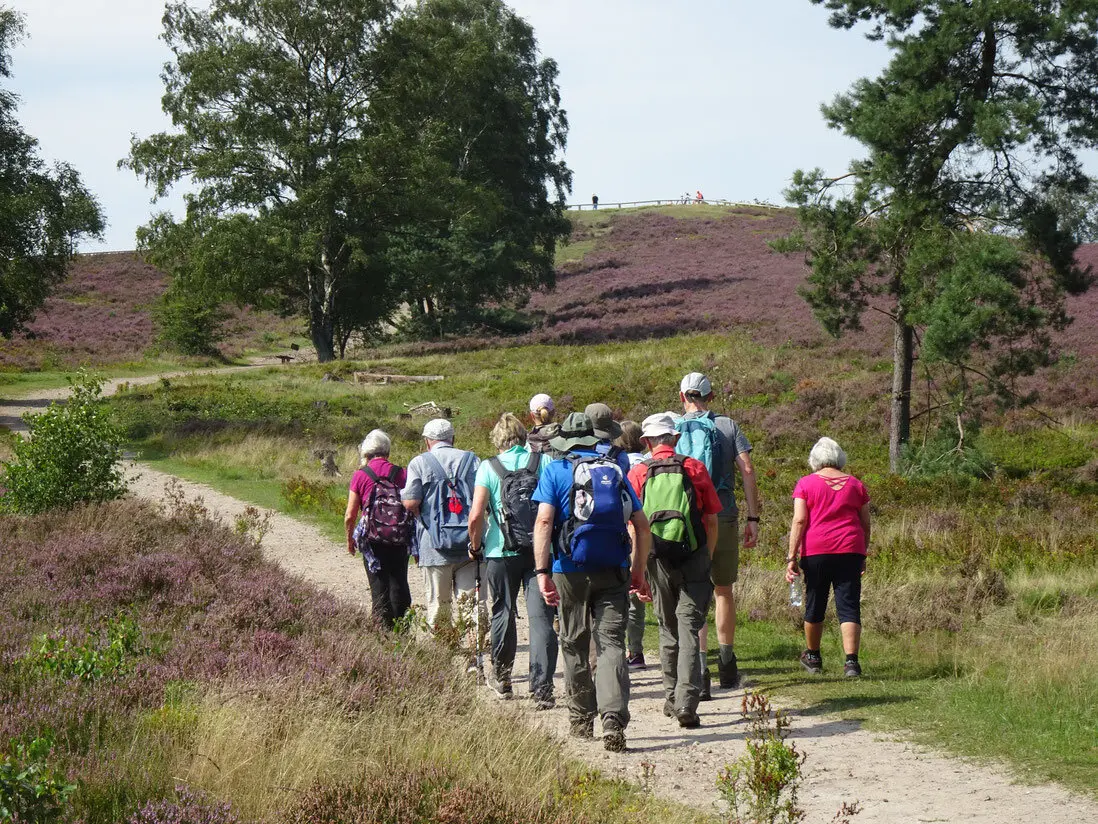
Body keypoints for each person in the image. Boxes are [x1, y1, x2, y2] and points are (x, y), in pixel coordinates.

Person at [533, 412, 653, 752]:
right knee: (612, 643)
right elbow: (642, 526)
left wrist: (542, 573)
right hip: (613, 566)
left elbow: (544, 523)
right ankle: (613, 718)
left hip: (568, 568)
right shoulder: (615, 470)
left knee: (573, 640)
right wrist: (638, 570)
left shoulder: (555, 470)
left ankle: (581, 720)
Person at [628, 414, 721, 727]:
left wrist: (637, 567)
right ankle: (687, 704)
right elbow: (711, 519)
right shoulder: (694, 468)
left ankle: (671, 698)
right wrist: (705, 556)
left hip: (657, 560)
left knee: (667, 628)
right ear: (675, 439)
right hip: (694, 555)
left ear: (646, 442)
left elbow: (634, 528)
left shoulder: (638, 473)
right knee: (689, 628)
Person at [675, 372, 759, 696]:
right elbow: (748, 470)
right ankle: (727, 664)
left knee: (696, 589)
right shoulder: (728, 426)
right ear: (711, 398)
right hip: (723, 513)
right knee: (723, 589)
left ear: (682, 396)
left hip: (689, 517)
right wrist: (753, 517)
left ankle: (699, 668)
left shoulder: (672, 427)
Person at [468, 413, 558, 708]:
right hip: (538, 551)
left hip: (499, 550)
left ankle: (504, 678)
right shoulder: (542, 461)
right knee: (541, 617)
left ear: (497, 439)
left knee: (502, 611)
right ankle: (542, 687)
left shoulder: (488, 467)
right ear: (522, 436)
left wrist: (475, 545)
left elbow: (476, 514)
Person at [786, 437, 871, 678]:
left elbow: (799, 520)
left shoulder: (805, 484)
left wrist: (791, 557)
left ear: (815, 460)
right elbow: (866, 522)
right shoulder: (856, 485)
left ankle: (813, 656)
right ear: (839, 458)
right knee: (849, 605)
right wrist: (862, 551)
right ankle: (852, 662)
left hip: (816, 551)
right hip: (850, 549)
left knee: (816, 601)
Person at [401, 419, 485, 639]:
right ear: (453, 438)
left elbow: (410, 503)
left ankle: (444, 654)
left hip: (434, 545)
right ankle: (474, 654)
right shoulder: (472, 460)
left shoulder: (419, 463)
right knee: (472, 606)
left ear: (427, 441)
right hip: (471, 544)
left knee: (439, 605)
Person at [344, 429, 412, 630]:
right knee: (399, 582)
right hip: (399, 538)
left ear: (366, 453)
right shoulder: (402, 473)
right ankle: (402, 631)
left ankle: (382, 633)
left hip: (373, 540)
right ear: (387, 451)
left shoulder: (360, 475)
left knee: (378, 586)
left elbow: (350, 515)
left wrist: (350, 539)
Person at [615, 420, 648, 670]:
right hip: (660, 529)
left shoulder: (621, 466)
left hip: (632, 532)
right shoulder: (649, 463)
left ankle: (634, 650)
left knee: (633, 595)